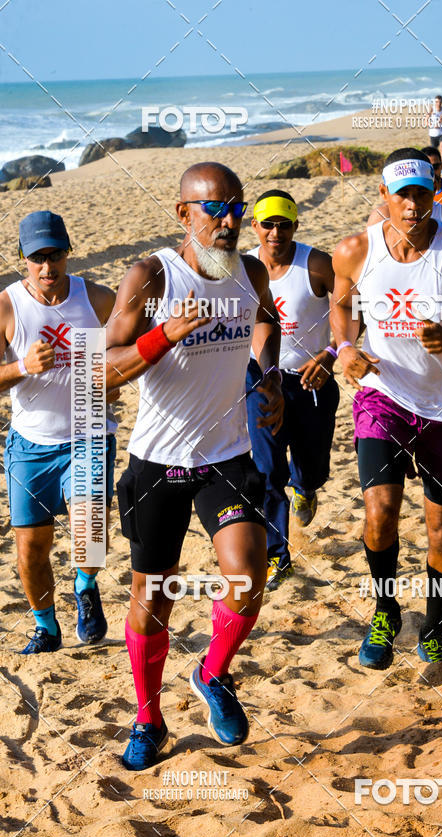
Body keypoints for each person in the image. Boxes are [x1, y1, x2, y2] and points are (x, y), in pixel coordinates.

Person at [106, 162, 284, 770]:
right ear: (183, 213)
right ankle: (149, 718)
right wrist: (163, 336)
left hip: (227, 456)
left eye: (237, 207)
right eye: (214, 208)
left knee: (248, 574)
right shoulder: (152, 275)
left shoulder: (250, 269)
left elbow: (268, 319)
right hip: (158, 461)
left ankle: (212, 674)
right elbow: (98, 371)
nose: (230, 220)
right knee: (152, 594)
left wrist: (268, 378)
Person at [330, 148, 442, 669]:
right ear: (384, 194)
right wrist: (345, 348)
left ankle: (432, 625)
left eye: (421, 194)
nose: (411, 205)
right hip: (382, 398)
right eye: (401, 194)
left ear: (435, 194)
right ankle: (384, 612)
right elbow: (342, 306)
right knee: (380, 512)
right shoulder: (355, 251)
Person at [0, 211, 117, 653]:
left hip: (88, 431)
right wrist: (22, 367)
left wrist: (115, 379)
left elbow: (129, 347)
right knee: (31, 550)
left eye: (55, 256)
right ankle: (46, 628)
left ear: (68, 252)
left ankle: (85, 586)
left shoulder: (99, 299)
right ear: (24, 260)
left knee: (90, 533)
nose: (47, 268)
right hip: (31, 443)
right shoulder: (8, 306)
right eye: (37, 259)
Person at [245, 189, 339, 590]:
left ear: (296, 226)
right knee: (266, 471)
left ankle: (307, 487)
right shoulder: (243, 268)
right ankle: (276, 556)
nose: (275, 232)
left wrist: (333, 352)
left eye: (284, 224)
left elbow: (353, 313)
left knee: (311, 466)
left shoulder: (316, 264)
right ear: (255, 226)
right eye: (267, 224)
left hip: (312, 380)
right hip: (263, 381)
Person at [368, 145, 442, 231]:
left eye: (421, 193)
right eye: (403, 194)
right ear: (384, 192)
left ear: (434, 188)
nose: (413, 205)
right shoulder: (379, 219)